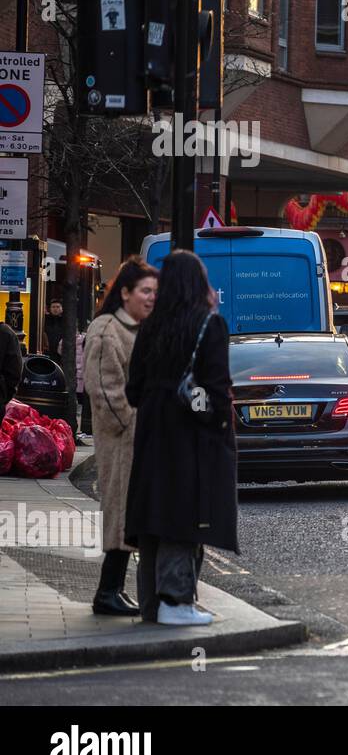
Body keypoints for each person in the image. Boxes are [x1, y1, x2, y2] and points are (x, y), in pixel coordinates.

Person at [125, 250, 238, 626]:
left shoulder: (150, 327)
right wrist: (207, 412)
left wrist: (162, 397)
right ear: (198, 283)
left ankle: (152, 606)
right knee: (186, 514)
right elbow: (216, 388)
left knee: (154, 514)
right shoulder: (209, 325)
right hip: (189, 436)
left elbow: (132, 391)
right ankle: (177, 602)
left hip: (151, 433)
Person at [83, 258, 158, 616]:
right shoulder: (105, 330)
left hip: (137, 440)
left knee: (129, 515)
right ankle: (106, 592)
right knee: (119, 513)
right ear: (124, 292)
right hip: (121, 440)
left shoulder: (135, 330)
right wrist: (133, 425)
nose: (152, 298)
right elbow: (105, 392)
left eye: (155, 292)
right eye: (145, 290)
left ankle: (113, 589)